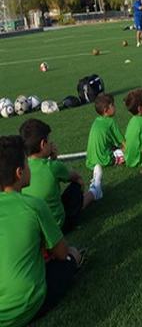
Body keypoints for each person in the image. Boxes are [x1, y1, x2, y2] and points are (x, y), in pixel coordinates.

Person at [0, 135, 83, 326]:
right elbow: (61, 253)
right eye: (27, 163)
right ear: (20, 173)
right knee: (72, 255)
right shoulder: (34, 206)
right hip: (25, 305)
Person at [20, 119, 100, 232]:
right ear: (43, 144)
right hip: (57, 227)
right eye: (48, 140)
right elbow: (76, 177)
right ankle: (94, 192)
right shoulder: (52, 167)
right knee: (76, 186)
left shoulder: (21, 170)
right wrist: (54, 161)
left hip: (33, 230)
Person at [85, 93, 124, 192]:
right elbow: (123, 142)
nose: (115, 107)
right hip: (104, 159)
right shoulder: (110, 122)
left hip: (90, 160)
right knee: (126, 153)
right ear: (106, 110)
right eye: (113, 105)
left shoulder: (97, 121)